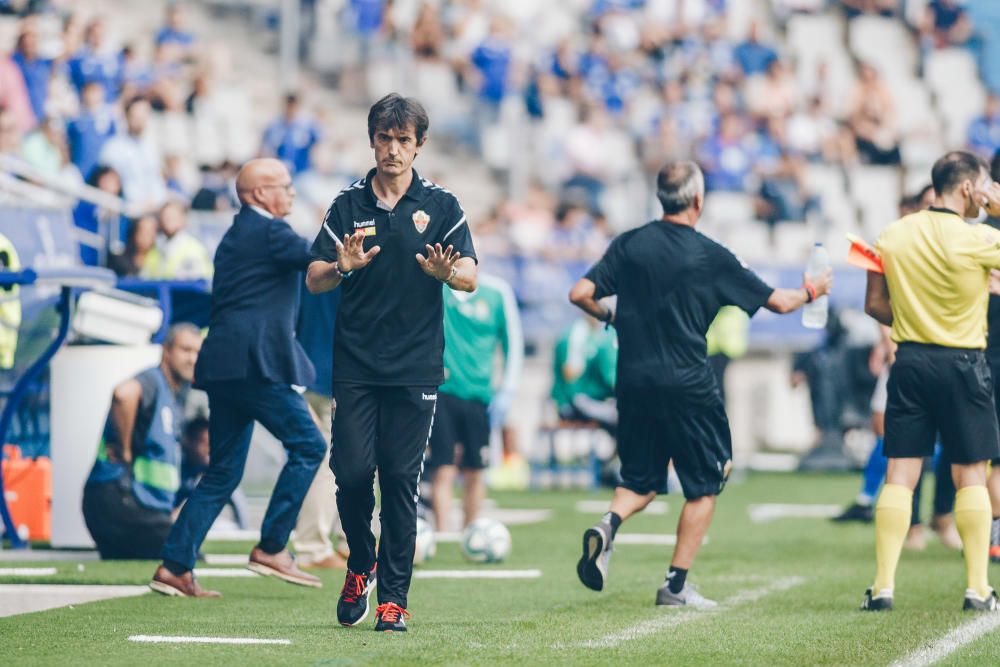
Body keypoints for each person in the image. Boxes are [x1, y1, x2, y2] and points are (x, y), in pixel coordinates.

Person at [571, 160, 831, 607]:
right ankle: (674, 586)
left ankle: (609, 524)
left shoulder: (630, 243)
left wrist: (611, 316)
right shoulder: (711, 254)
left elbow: (580, 294)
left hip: (633, 381)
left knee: (639, 482)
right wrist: (813, 290)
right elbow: (782, 303)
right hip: (689, 383)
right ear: (697, 200)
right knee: (706, 484)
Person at [306, 93, 478, 632]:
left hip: (416, 365)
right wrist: (342, 264)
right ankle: (362, 560)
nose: (394, 150)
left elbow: (471, 275)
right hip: (356, 364)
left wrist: (445, 275)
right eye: (386, 138)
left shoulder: (443, 206)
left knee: (401, 480)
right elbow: (313, 278)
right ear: (372, 141)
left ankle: (394, 601)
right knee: (353, 473)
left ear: (419, 145)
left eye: (405, 140)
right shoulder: (347, 204)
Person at [150, 158, 328, 598]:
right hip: (255, 365)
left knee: (223, 472)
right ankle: (271, 546)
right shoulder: (271, 232)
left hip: (224, 366)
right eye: (284, 186)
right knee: (310, 445)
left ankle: (175, 566)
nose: (290, 193)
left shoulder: (234, 234)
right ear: (258, 194)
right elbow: (317, 257)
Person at [861, 151, 1000, 612]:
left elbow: (875, 305)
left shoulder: (893, 234)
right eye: (985, 186)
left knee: (901, 475)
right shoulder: (979, 237)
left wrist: (918, 315)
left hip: (911, 361)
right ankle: (978, 589)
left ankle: (882, 586)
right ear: (967, 188)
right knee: (971, 475)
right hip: (963, 362)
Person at [82, 323, 201, 560]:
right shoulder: (153, 381)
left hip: (131, 506)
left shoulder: (174, 394)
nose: (192, 359)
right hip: (119, 500)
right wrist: (125, 450)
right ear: (166, 351)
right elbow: (123, 394)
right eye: (185, 350)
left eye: (197, 353)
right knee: (183, 555)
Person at [429, 273, 522, 531]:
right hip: (442, 390)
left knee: (475, 469)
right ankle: (443, 531)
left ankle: (471, 530)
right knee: (443, 467)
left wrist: (508, 389)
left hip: (480, 395)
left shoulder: (496, 291)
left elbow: (513, 342)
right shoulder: (438, 286)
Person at [99, 97, 168, 211]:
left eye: (144, 115)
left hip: (155, 209)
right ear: (127, 116)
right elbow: (109, 186)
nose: (141, 120)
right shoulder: (113, 148)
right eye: (136, 116)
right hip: (127, 212)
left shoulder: (151, 146)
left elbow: (158, 180)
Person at [142, 201, 213, 280]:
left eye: (172, 217)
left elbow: (196, 283)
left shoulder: (193, 249)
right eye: (165, 216)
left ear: (183, 219)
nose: (168, 220)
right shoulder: (155, 250)